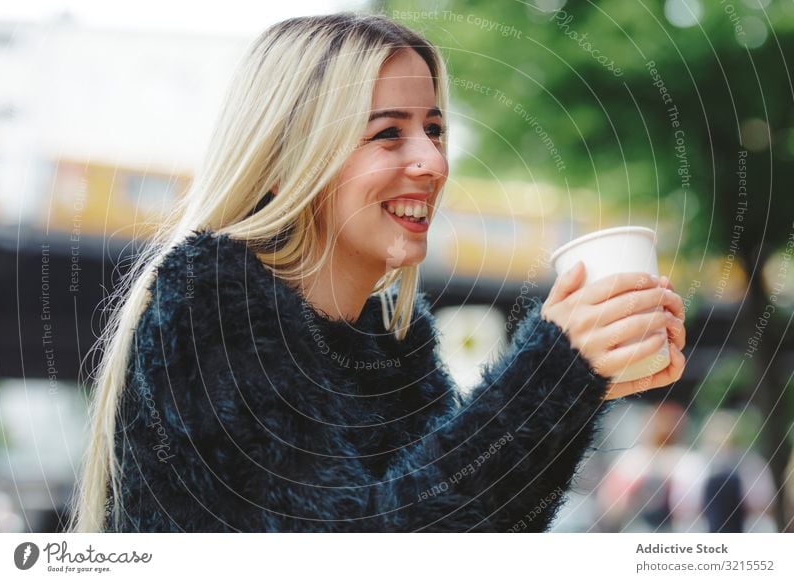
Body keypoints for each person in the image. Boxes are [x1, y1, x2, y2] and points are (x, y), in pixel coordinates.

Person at [68, 12, 686, 533]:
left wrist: (581, 388)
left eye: (435, 129)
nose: (433, 162)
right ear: (288, 159)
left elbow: (474, 530)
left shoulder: (388, 338)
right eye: (389, 133)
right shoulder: (213, 300)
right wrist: (551, 376)